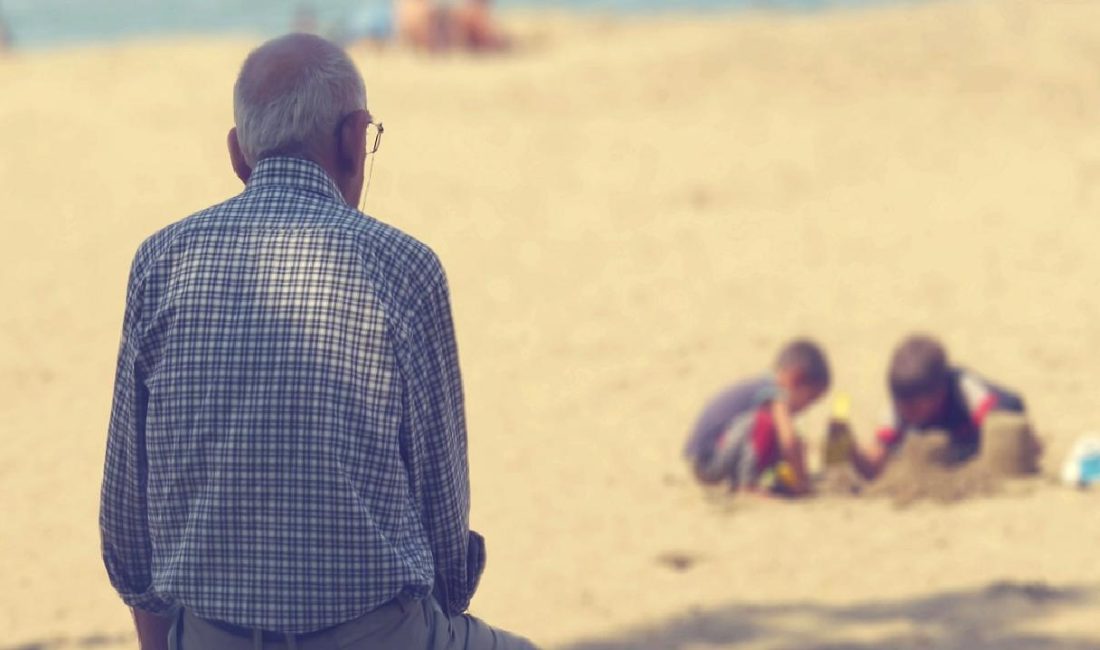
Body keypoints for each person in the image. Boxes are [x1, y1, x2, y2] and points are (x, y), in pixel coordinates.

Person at [100, 33, 537, 650]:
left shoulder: (161, 262)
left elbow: (126, 509)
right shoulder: (404, 266)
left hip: (206, 635)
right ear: (354, 139)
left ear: (238, 155)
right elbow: (442, 514)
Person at [850, 334, 1031, 480]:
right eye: (901, 406)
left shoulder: (964, 389)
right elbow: (877, 457)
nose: (907, 413)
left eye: (914, 407)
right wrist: (853, 453)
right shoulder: (897, 408)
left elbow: (1000, 426)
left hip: (985, 422)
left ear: (939, 394)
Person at [683, 339, 831, 496]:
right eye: (809, 400)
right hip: (709, 461)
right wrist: (802, 483)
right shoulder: (775, 393)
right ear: (796, 379)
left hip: (716, 454)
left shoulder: (765, 385)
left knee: (773, 434)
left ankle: (753, 481)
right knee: (764, 423)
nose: (806, 409)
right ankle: (747, 487)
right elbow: (789, 442)